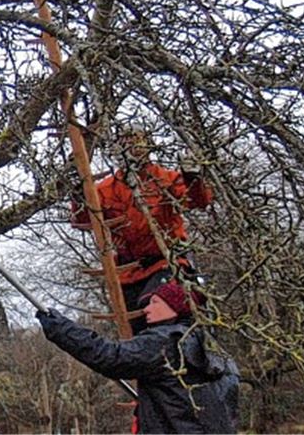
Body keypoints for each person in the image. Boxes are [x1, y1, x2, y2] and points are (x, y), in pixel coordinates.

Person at [36, 282, 240, 434]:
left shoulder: (165, 341)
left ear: (177, 307)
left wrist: (60, 328)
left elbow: (110, 356)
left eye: (155, 302)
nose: (146, 309)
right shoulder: (217, 352)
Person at [70, 125, 213, 331]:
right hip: (129, 272)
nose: (133, 149)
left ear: (148, 146)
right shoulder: (106, 189)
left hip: (166, 263)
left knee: (158, 307)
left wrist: (193, 178)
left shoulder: (165, 179)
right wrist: (78, 196)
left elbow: (197, 200)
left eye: (137, 143)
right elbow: (82, 221)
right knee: (138, 328)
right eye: (126, 144)